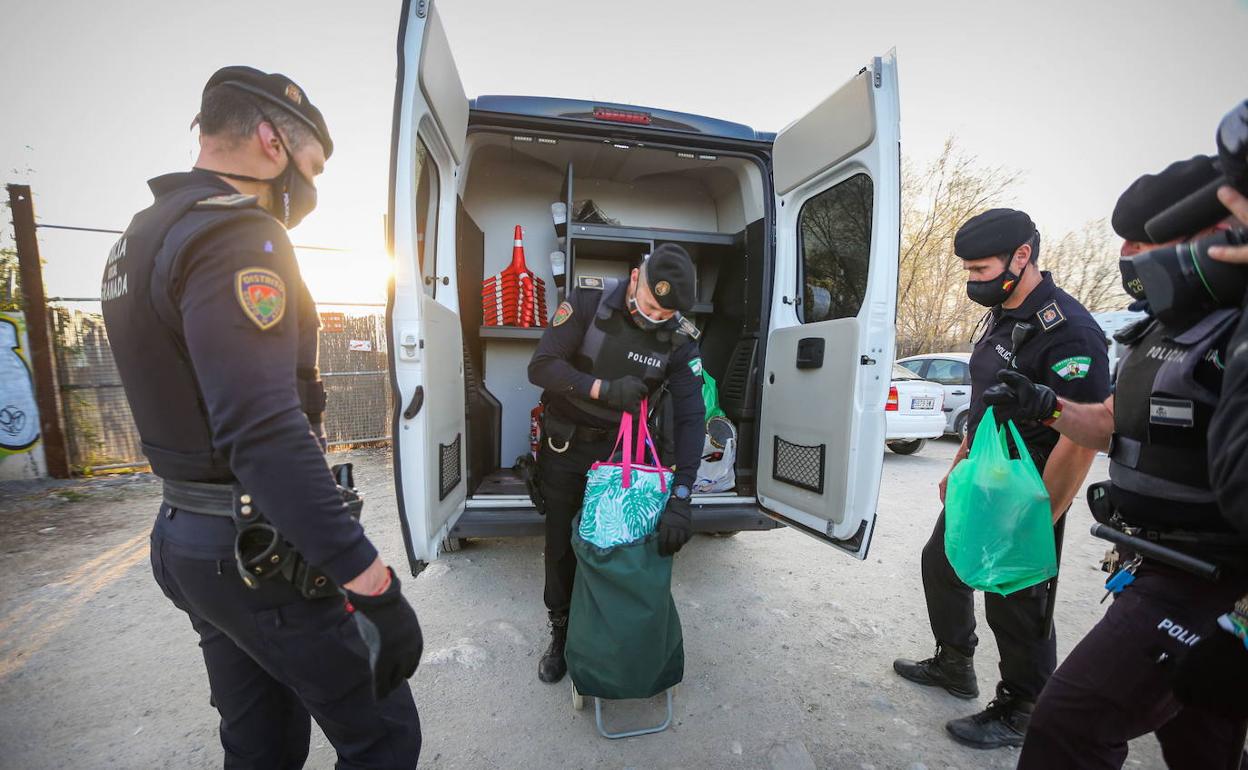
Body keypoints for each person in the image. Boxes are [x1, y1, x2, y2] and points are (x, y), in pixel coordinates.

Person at [101, 67, 423, 768]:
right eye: (311, 169)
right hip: (256, 552)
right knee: (385, 734)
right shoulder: (239, 236)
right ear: (271, 141)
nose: (309, 191)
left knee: (262, 745)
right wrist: (370, 580)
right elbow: (264, 431)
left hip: (188, 539)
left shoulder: (141, 235)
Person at [983, 156, 1248, 768]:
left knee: (1070, 727)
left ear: (1217, 233)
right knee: (1200, 742)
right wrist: (1047, 406)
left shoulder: (1237, 331)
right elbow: (1108, 423)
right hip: (1157, 560)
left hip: (1208, 584)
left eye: (1150, 239)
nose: (1131, 254)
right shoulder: (1163, 330)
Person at [891, 208, 1111, 749]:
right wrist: (959, 462)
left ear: (1022, 256)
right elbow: (991, 403)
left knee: (1018, 600)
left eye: (981, 268)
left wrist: (1039, 518)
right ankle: (954, 663)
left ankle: (1021, 708)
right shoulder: (1003, 314)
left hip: (1030, 488)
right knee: (942, 563)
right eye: (966, 269)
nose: (972, 280)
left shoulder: (1070, 331)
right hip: (984, 475)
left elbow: (1082, 437)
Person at [527, 244, 706, 683]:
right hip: (567, 446)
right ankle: (562, 631)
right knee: (562, 547)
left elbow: (690, 416)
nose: (654, 318)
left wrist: (682, 496)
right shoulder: (588, 302)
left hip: (623, 454)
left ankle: (607, 630)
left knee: (619, 548)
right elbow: (542, 366)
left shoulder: (681, 339)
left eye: (664, 315)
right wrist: (602, 390)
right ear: (633, 278)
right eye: (648, 306)